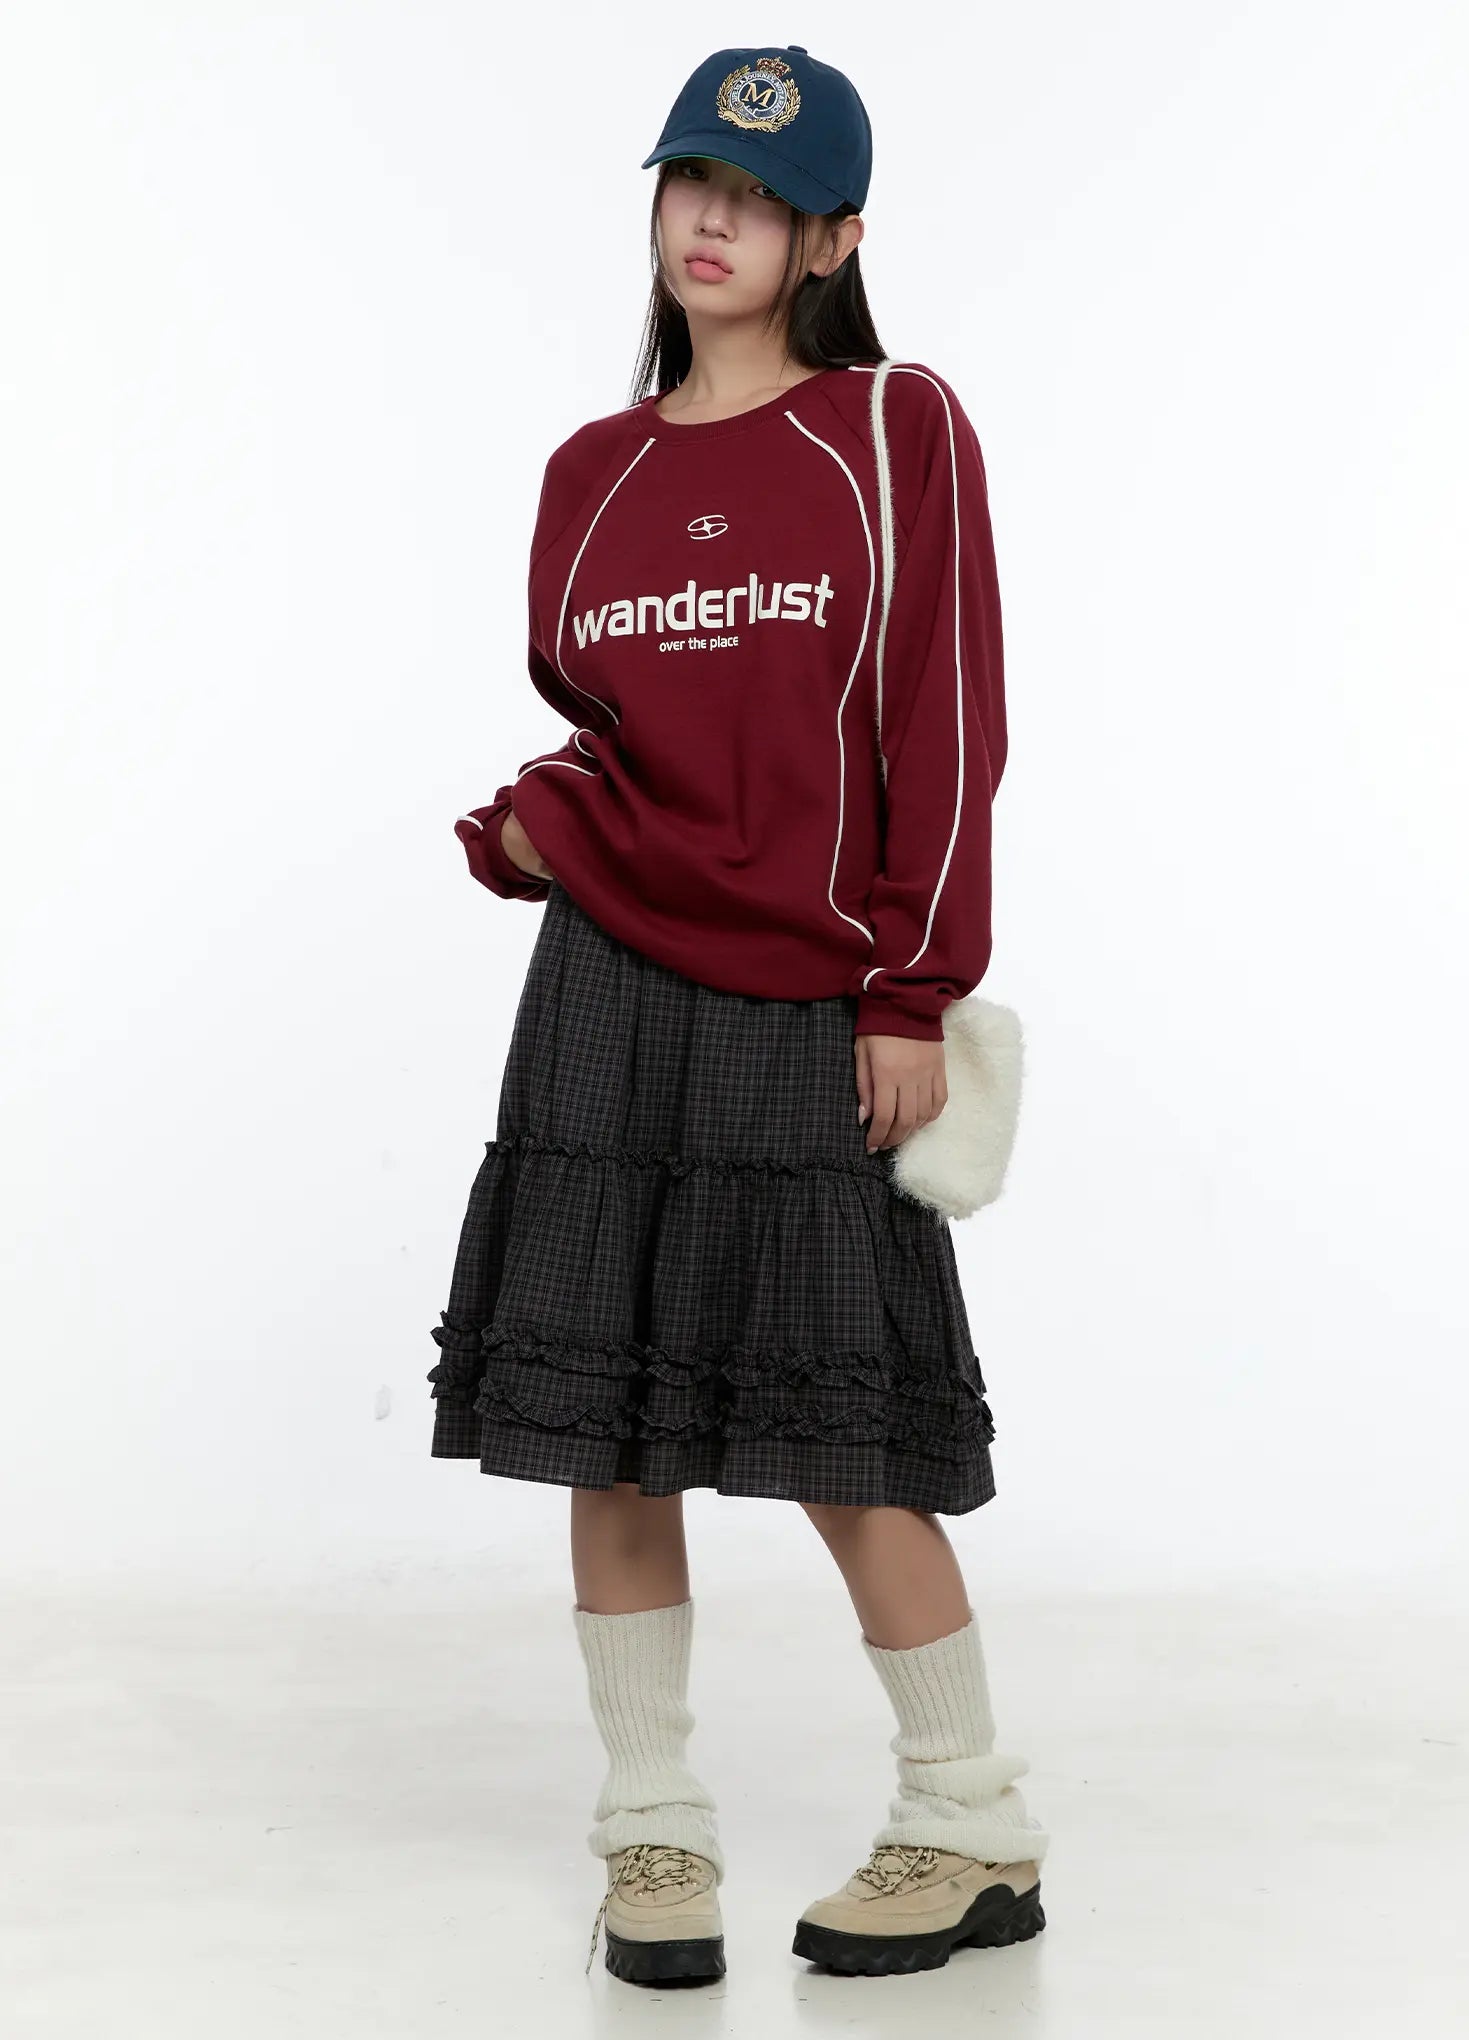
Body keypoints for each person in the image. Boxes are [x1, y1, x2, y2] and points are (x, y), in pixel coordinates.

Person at [426, 41, 1050, 1987]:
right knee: (609, 1429)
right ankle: (652, 1833)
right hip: (606, 985)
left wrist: (913, 986)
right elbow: (622, 734)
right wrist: (541, 819)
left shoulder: (892, 429)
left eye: (762, 198)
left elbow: (946, 722)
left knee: (847, 1438)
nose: (714, 219)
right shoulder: (589, 475)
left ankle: (970, 1823)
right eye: (692, 179)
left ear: (832, 240)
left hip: (812, 995)